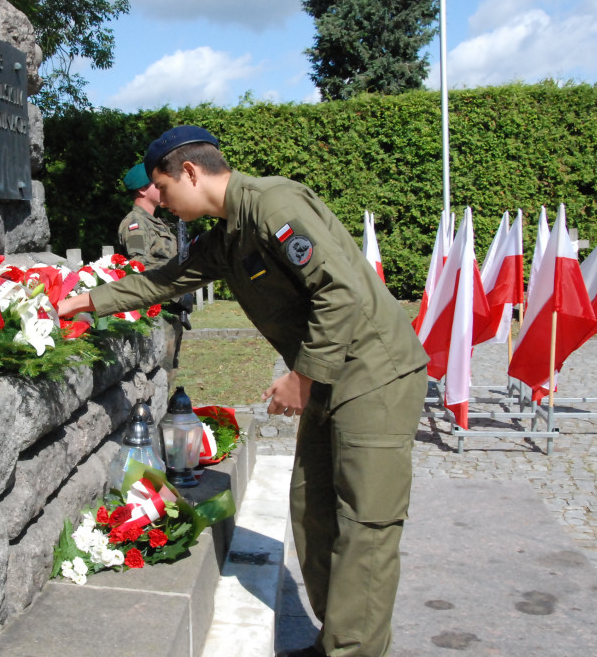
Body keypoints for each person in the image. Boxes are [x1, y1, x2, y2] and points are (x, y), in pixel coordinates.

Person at [60, 126, 429, 657]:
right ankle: (340, 640)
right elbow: (165, 280)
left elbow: (340, 291)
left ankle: (355, 650)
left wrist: (302, 375)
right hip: (330, 375)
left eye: (163, 188)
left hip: (373, 373)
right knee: (312, 510)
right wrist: (81, 302)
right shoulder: (228, 235)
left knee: (364, 520)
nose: (160, 201)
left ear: (190, 172)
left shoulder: (272, 205)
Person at [115, 162, 193, 367]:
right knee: (161, 375)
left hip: (170, 311)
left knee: (169, 373)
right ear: (142, 189)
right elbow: (138, 266)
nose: (162, 187)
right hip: (156, 312)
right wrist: (177, 293)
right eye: (156, 183)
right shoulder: (135, 223)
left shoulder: (157, 223)